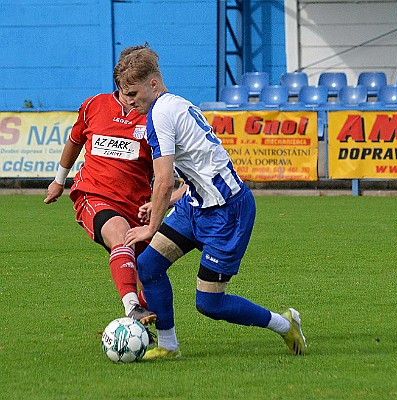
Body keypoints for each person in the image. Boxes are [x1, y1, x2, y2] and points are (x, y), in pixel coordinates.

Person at [122, 44, 308, 359]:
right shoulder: (174, 105)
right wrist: (165, 203)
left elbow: (164, 179)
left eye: (132, 92)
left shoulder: (160, 115)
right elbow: (200, 170)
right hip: (195, 205)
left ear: (153, 83)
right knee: (149, 266)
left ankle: (284, 323)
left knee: (209, 304)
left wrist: (150, 227)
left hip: (228, 213)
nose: (129, 100)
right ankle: (168, 346)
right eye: (124, 94)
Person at [44, 47, 162, 327]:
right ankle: (131, 308)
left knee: (152, 273)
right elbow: (74, 141)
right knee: (120, 236)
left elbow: (163, 168)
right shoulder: (94, 105)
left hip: (137, 205)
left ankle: (151, 330)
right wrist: (59, 181)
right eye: (125, 91)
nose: (130, 99)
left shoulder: (154, 115)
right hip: (93, 195)